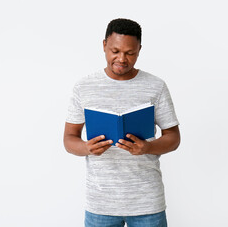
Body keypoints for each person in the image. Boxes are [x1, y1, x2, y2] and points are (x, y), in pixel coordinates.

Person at [64, 18, 181, 227]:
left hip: (147, 203)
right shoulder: (84, 87)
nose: (121, 59)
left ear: (139, 50)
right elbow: (69, 139)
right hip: (101, 204)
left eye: (130, 53)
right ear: (104, 46)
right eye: (115, 51)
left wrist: (148, 147)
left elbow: (173, 137)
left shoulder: (156, 86)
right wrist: (86, 148)